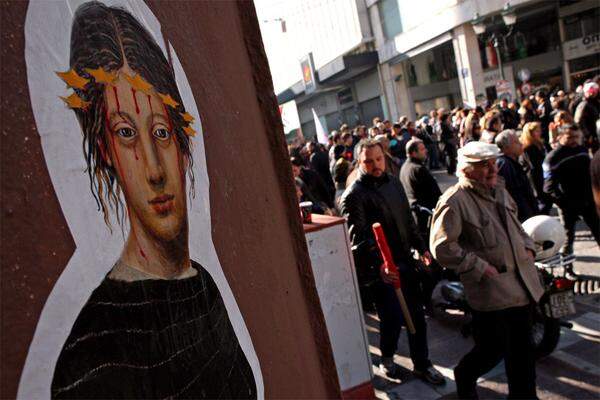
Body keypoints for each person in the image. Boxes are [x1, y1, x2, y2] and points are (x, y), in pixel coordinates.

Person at [50, 3, 257, 398]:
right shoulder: (93, 350)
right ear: (105, 150)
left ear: (181, 143)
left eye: (160, 132)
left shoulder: (203, 286)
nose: (155, 171)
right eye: (126, 134)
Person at [429, 141, 544, 400]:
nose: (493, 170)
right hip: (492, 293)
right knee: (491, 351)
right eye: (484, 166)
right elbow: (442, 248)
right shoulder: (454, 200)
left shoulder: (499, 190)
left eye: (493, 163)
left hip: (522, 286)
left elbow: (517, 226)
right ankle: (465, 378)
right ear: (467, 169)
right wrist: (480, 267)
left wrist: (528, 247)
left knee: (523, 353)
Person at [340, 139, 445, 386]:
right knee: (392, 318)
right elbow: (360, 240)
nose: (375, 165)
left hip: (405, 261)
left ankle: (422, 364)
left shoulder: (394, 182)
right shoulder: (354, 195)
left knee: (417, 316)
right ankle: (387, 357)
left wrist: (421, 247)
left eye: (378, 159)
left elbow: (407, 221)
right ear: (359, 162)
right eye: (368, 161)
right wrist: (380, 265)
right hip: (381, 271)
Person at [543, 124, 600, 254]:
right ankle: (568, 269)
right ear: (560, 137)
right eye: (570, 137)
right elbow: (548, 188)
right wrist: (565, 204)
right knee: (568, 238)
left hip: (588, 201)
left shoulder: (582, 150)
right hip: (568, 204)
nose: (574, 140)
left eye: (577, 137)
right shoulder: (553, 158)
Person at [400, 138, 442, 239]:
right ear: (414, 153)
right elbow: (435, 194)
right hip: (425, 216)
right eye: (422, 149)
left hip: (415, 216)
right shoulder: (418, 169)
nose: (426, 151)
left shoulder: (405, 167)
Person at [495, 130, 538, 222]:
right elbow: (514, 194)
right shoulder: (504, 164)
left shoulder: (512, 162)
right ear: (506, 147)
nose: (521, 144)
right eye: (516, 142)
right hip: (519, 217)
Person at [521, 122, 553, 214]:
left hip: (545, 174)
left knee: (548, 200)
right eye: (536, 131)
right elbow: (533, 166)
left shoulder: (541, 143)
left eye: (539, 130)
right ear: (530, 133)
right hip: (536, 177)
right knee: (542, 202)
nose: (539, 132)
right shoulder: (528, 148)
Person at [574, 81, 600, 152]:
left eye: (595, 91)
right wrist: (587, 135)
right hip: (591, 137)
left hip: (595, 134)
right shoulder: (584, 104)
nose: (593, 93)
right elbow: (578, 120)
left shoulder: (594, 102)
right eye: (591, 91)